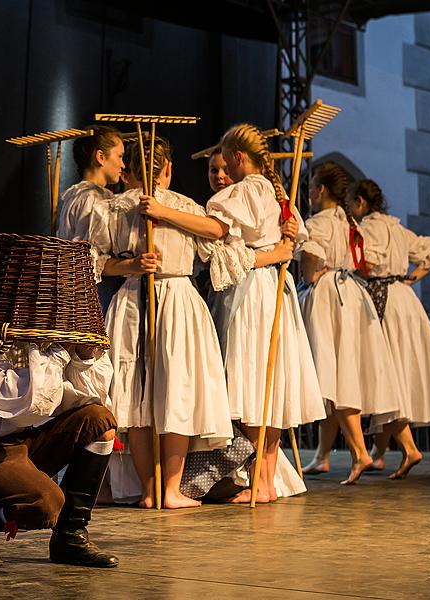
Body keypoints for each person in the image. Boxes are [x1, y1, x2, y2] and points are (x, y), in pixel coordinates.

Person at [156, 123, 325, 503]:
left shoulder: (248, 188)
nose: (223, 173)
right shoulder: (272, 191)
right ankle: (262, 482)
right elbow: (293, 238)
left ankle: (259, 481)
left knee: (250, 384)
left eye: (226, 163)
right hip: (272, 290)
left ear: (238, 158)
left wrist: (164, 212)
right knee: (269, 385)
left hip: (252, 294)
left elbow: (216, 230)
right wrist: (282, 247)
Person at [106, 136, 232, 509]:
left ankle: (157, 489)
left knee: (164, 391)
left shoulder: (178, 206)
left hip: (169, 298)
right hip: (145, 297)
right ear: (168, 169)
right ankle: (162, 489)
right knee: (145, 394)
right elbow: (97, 259)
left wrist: (161, 211)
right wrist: (132, 265)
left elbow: (216, 231)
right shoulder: (121, 209)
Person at [298, 163, 403, 485]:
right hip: (354, 294)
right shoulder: (350, 222)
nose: (311, 193)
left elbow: (310, 268)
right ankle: (322, 456)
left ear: (320, 190)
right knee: (335, 374)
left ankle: (360, 452)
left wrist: (310, 280)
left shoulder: (318, 222)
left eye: (313, 187)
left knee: (334, 373)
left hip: (330, 293)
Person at [350, 178, 430, 478]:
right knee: (395, 371)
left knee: (385, 376)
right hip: (404, 298)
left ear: (360, 202)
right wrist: (411, 279)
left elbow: (361, 264)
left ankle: (408, 449)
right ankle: (379, 453)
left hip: (381, 299)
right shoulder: (396, 228)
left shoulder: (366, 229)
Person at [57, 125, 125, 311]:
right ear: (101, 157)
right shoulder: (91, 199)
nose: (123, 165)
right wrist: (132, 266)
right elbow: (88, 261)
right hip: (93, 294)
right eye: (119, 156)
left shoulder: (79, 195)